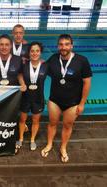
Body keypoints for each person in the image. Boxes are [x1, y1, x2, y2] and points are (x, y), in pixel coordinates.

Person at [41, 34, 92, 163]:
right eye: (61, 44)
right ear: (58, 46)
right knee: (52, 123)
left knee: (67, 125)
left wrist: (82, 103)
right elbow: (41, 68)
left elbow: (87, 82)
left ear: (71, 46)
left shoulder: (82, 60)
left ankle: (63, 148)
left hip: (73, 102)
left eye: (66, 44)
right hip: (55, 100)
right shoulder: (53, 59)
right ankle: (49, 144)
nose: (64, 47)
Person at [16, 42, 48, 151]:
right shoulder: (24, 64)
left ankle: (32, 139)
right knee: (22, 119)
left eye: (37, 51)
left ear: (40, 52)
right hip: (25, 97)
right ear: (29, 53)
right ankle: (20, 138)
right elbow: (19, 74)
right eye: (32, 51)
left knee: (35, 120)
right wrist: (22, 83)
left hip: (38, 99)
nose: (34, 53)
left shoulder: (45, 66)